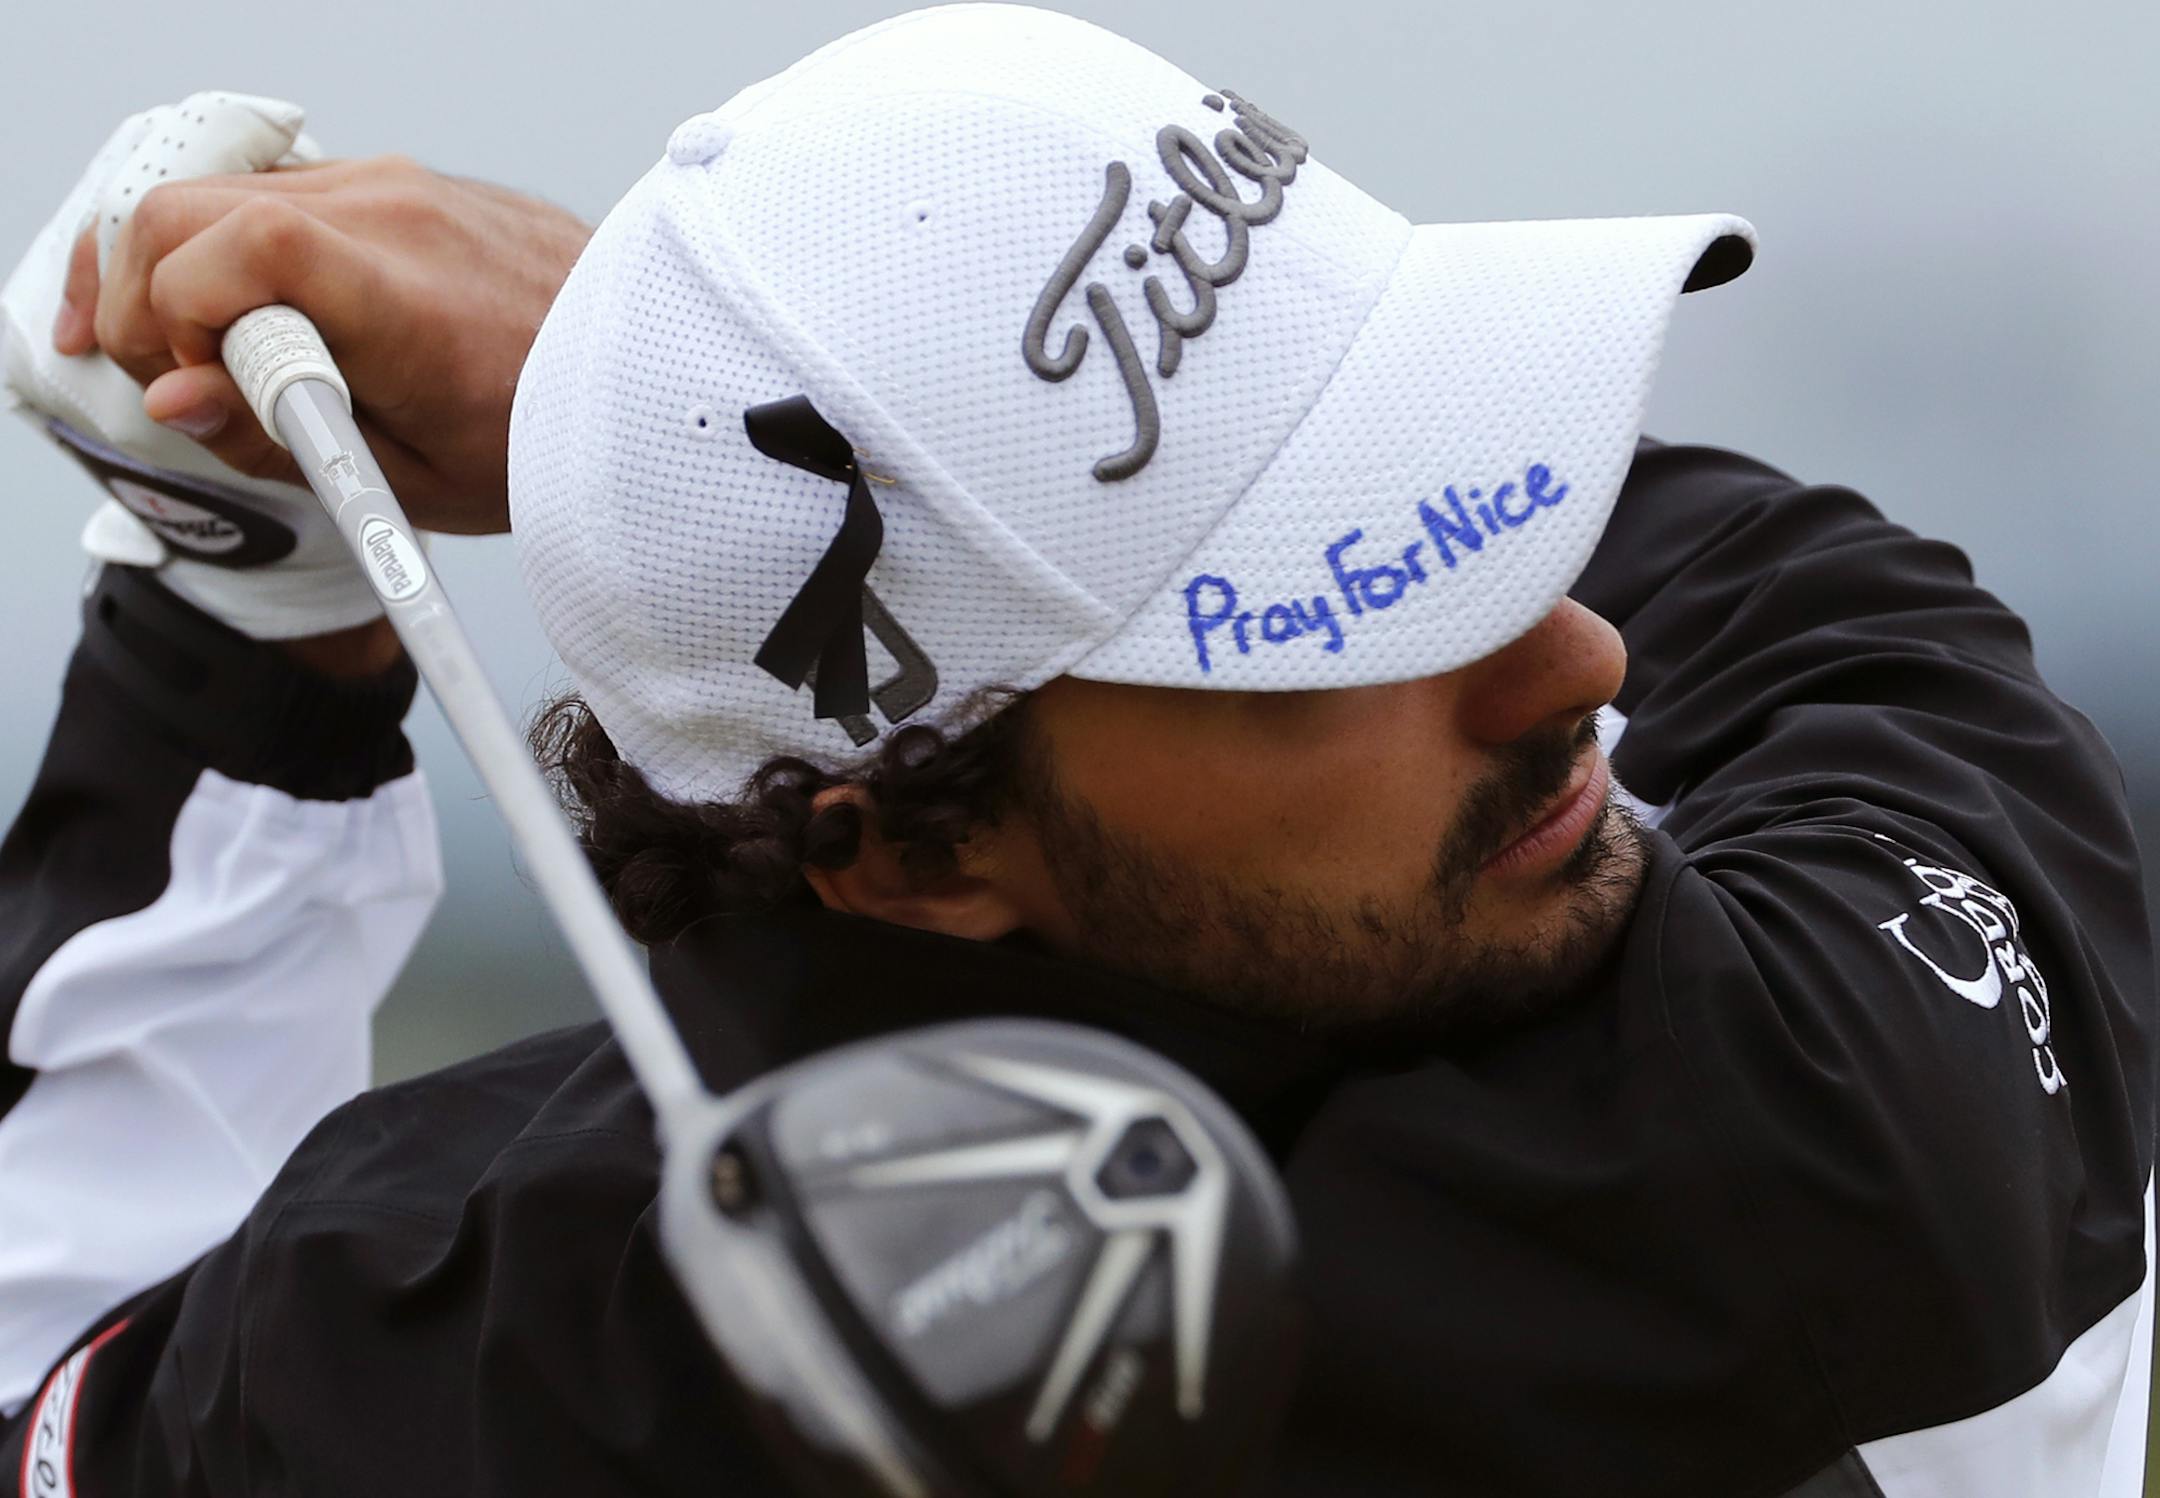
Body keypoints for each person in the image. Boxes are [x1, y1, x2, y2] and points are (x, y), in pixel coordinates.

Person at [1, 8, 2152, 1496]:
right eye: (1331, 618)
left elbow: (52, 1366)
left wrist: (258, 614)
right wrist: (604, 366)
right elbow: (1864, 712)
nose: (1573, 656)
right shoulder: (1822, 1113)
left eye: (1451, 468)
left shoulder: (451, 1328)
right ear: (907, 848)